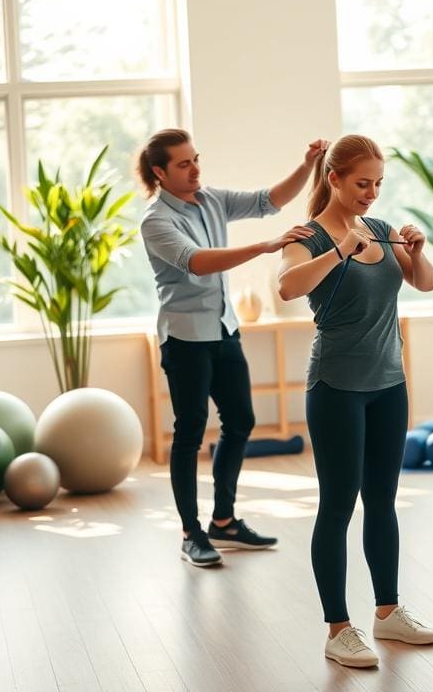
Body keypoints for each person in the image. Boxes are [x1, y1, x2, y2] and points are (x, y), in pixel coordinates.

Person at [277, 134, 433, 668]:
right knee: (338, 504)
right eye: (361, 183)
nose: (371, 193)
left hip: (389, 385)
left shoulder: (383, 230)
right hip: (336, 388)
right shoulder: (310, 235)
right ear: (335, 179)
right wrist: (339, 251)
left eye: (377, 183)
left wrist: (417, 253)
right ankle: (337, 628)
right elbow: (287, 286)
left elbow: (425, 283)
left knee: (383, 501)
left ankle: (387, 612)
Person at [138, 128, 324, 567]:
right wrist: (264, 247)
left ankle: (224, 521)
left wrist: (307, 166)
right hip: (185, 338)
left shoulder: (212, 199)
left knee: (241, 420)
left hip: (224, 330)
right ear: (159, 173)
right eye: (183, 164)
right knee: (189, 432)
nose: (195, 168)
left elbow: (269, 201)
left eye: (196, 158)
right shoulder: (156, 221)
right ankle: (191, 532)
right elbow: (197, 262)